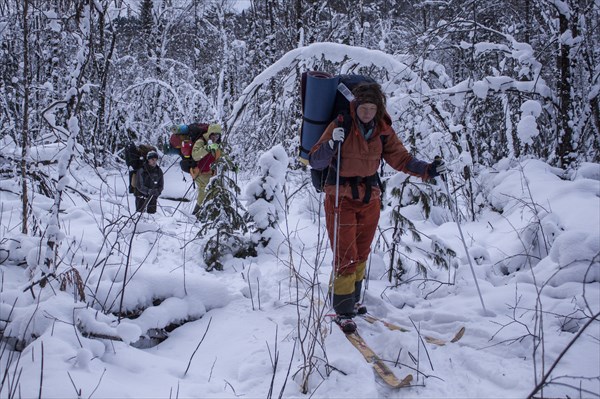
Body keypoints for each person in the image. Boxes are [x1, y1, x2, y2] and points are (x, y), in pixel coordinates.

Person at [309, 82, 446, 334]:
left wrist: (428, 170)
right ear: (356, 106)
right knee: (345, 254)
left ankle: (354, 299)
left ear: (379, 108)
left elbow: (401, 158)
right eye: (363, 108)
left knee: (361, 252)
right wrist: (330, 145)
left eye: (372, 108)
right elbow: (314, 158)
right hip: (340, 196)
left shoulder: (383, 130)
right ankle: (343, 310)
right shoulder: (341, 125)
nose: (367, 113)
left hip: (370, 196)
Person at [190, 123, 223, 218]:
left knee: (214, 191)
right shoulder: (201, 141)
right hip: (198, 172)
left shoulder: (217, 145)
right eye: (213, 135)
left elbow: (221, 156)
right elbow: (195, 156)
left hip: (210, 173)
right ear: (209, 134)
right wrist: (207, 148)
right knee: (204, 191)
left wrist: (232, 166)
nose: (215, 138)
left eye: (217, 136)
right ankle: (197, 214)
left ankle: (207, 214)